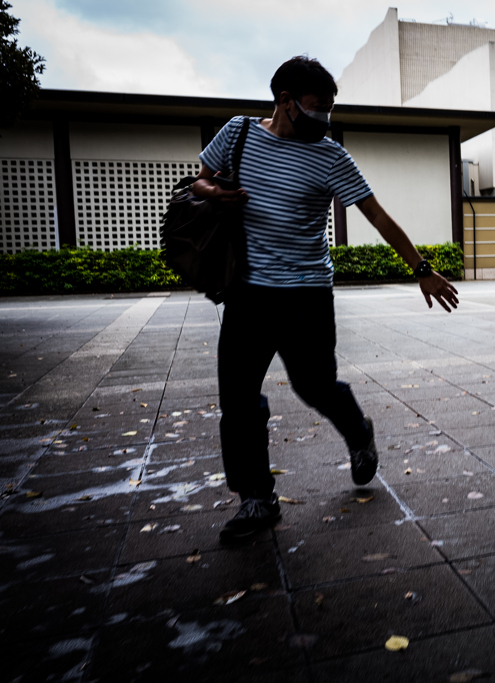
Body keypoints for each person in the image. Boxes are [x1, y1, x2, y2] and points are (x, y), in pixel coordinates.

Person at [194, 57, 460, 543]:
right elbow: (201, 177)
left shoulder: (331, 156)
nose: (325, 118)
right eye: (317, 107)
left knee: (314, 386)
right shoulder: (238, 134)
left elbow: (377, 216)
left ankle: (358, 432)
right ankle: (256, 500)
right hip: (246, 293)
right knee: (237, 400)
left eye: (330, 109)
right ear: (284, 101)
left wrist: (422, 270)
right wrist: (215, 192)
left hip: (306, 294)